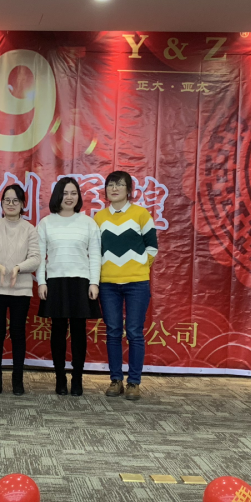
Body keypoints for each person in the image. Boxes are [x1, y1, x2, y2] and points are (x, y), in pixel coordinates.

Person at [94, 171, 157, 401]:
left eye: (119, 184)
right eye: (110, 184)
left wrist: (139, 267)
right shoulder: (99, 218)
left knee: (134, 332)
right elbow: (95, 251)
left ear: (129, 190)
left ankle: (134, 382)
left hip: (137, 283)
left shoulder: (141, 214)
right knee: (112, 331)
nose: (114, 188)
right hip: (108, 284)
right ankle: (115, 380)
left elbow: (152, 247)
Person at [37, 177, 101, 396]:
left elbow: (95, 255)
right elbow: (40, 256)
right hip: (55, 281)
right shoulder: (46, 223)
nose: (69, 197)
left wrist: (94, 282)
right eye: (65, 193)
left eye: (73, 193)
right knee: (57, 331)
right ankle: (60, 378)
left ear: (79, 196)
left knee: (79, 332)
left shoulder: (88, 223)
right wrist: (41, 281)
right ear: (58, 195)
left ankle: (77, 378)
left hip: (81, 282)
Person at [0, 184, 40, 396]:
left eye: (15, 200)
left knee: (18, 333)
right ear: (2, 203)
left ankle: (17, 380)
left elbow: (36, 258)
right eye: (7, 200)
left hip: (20, 289)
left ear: (22, 204)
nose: (11, 204)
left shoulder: (29, 229)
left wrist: (18, 268)